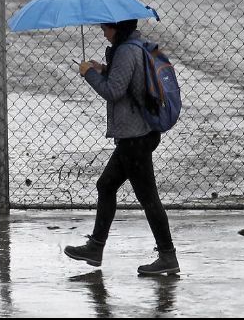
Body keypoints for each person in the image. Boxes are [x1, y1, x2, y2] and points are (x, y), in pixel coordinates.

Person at [64, 19, 180, 276]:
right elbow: (128, 81)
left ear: (118, 28)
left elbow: (114, 91)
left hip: (135, 137)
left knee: (147, 197)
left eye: (106, 28)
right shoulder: (134, 46)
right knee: (106, 185)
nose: (103, 33)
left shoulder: (127, 50)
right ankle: (96, 248)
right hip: (138, 134)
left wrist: (89, 74)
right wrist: (104, 69)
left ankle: (167, 255)